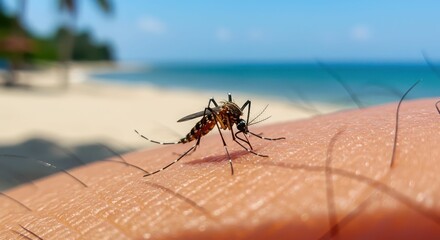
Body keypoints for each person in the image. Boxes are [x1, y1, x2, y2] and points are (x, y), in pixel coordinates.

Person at [1, 98, 439, 239]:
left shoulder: (235, 113)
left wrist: (248, 138)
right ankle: (181, 151)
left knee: (233, 126)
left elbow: (235, 116)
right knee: (206, 131)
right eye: (238, 123)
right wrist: (218, 135)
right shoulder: (220, 118)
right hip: (206, 127)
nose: (238, 125)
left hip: (218, 122)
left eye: (237, 124)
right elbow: (220, 116)